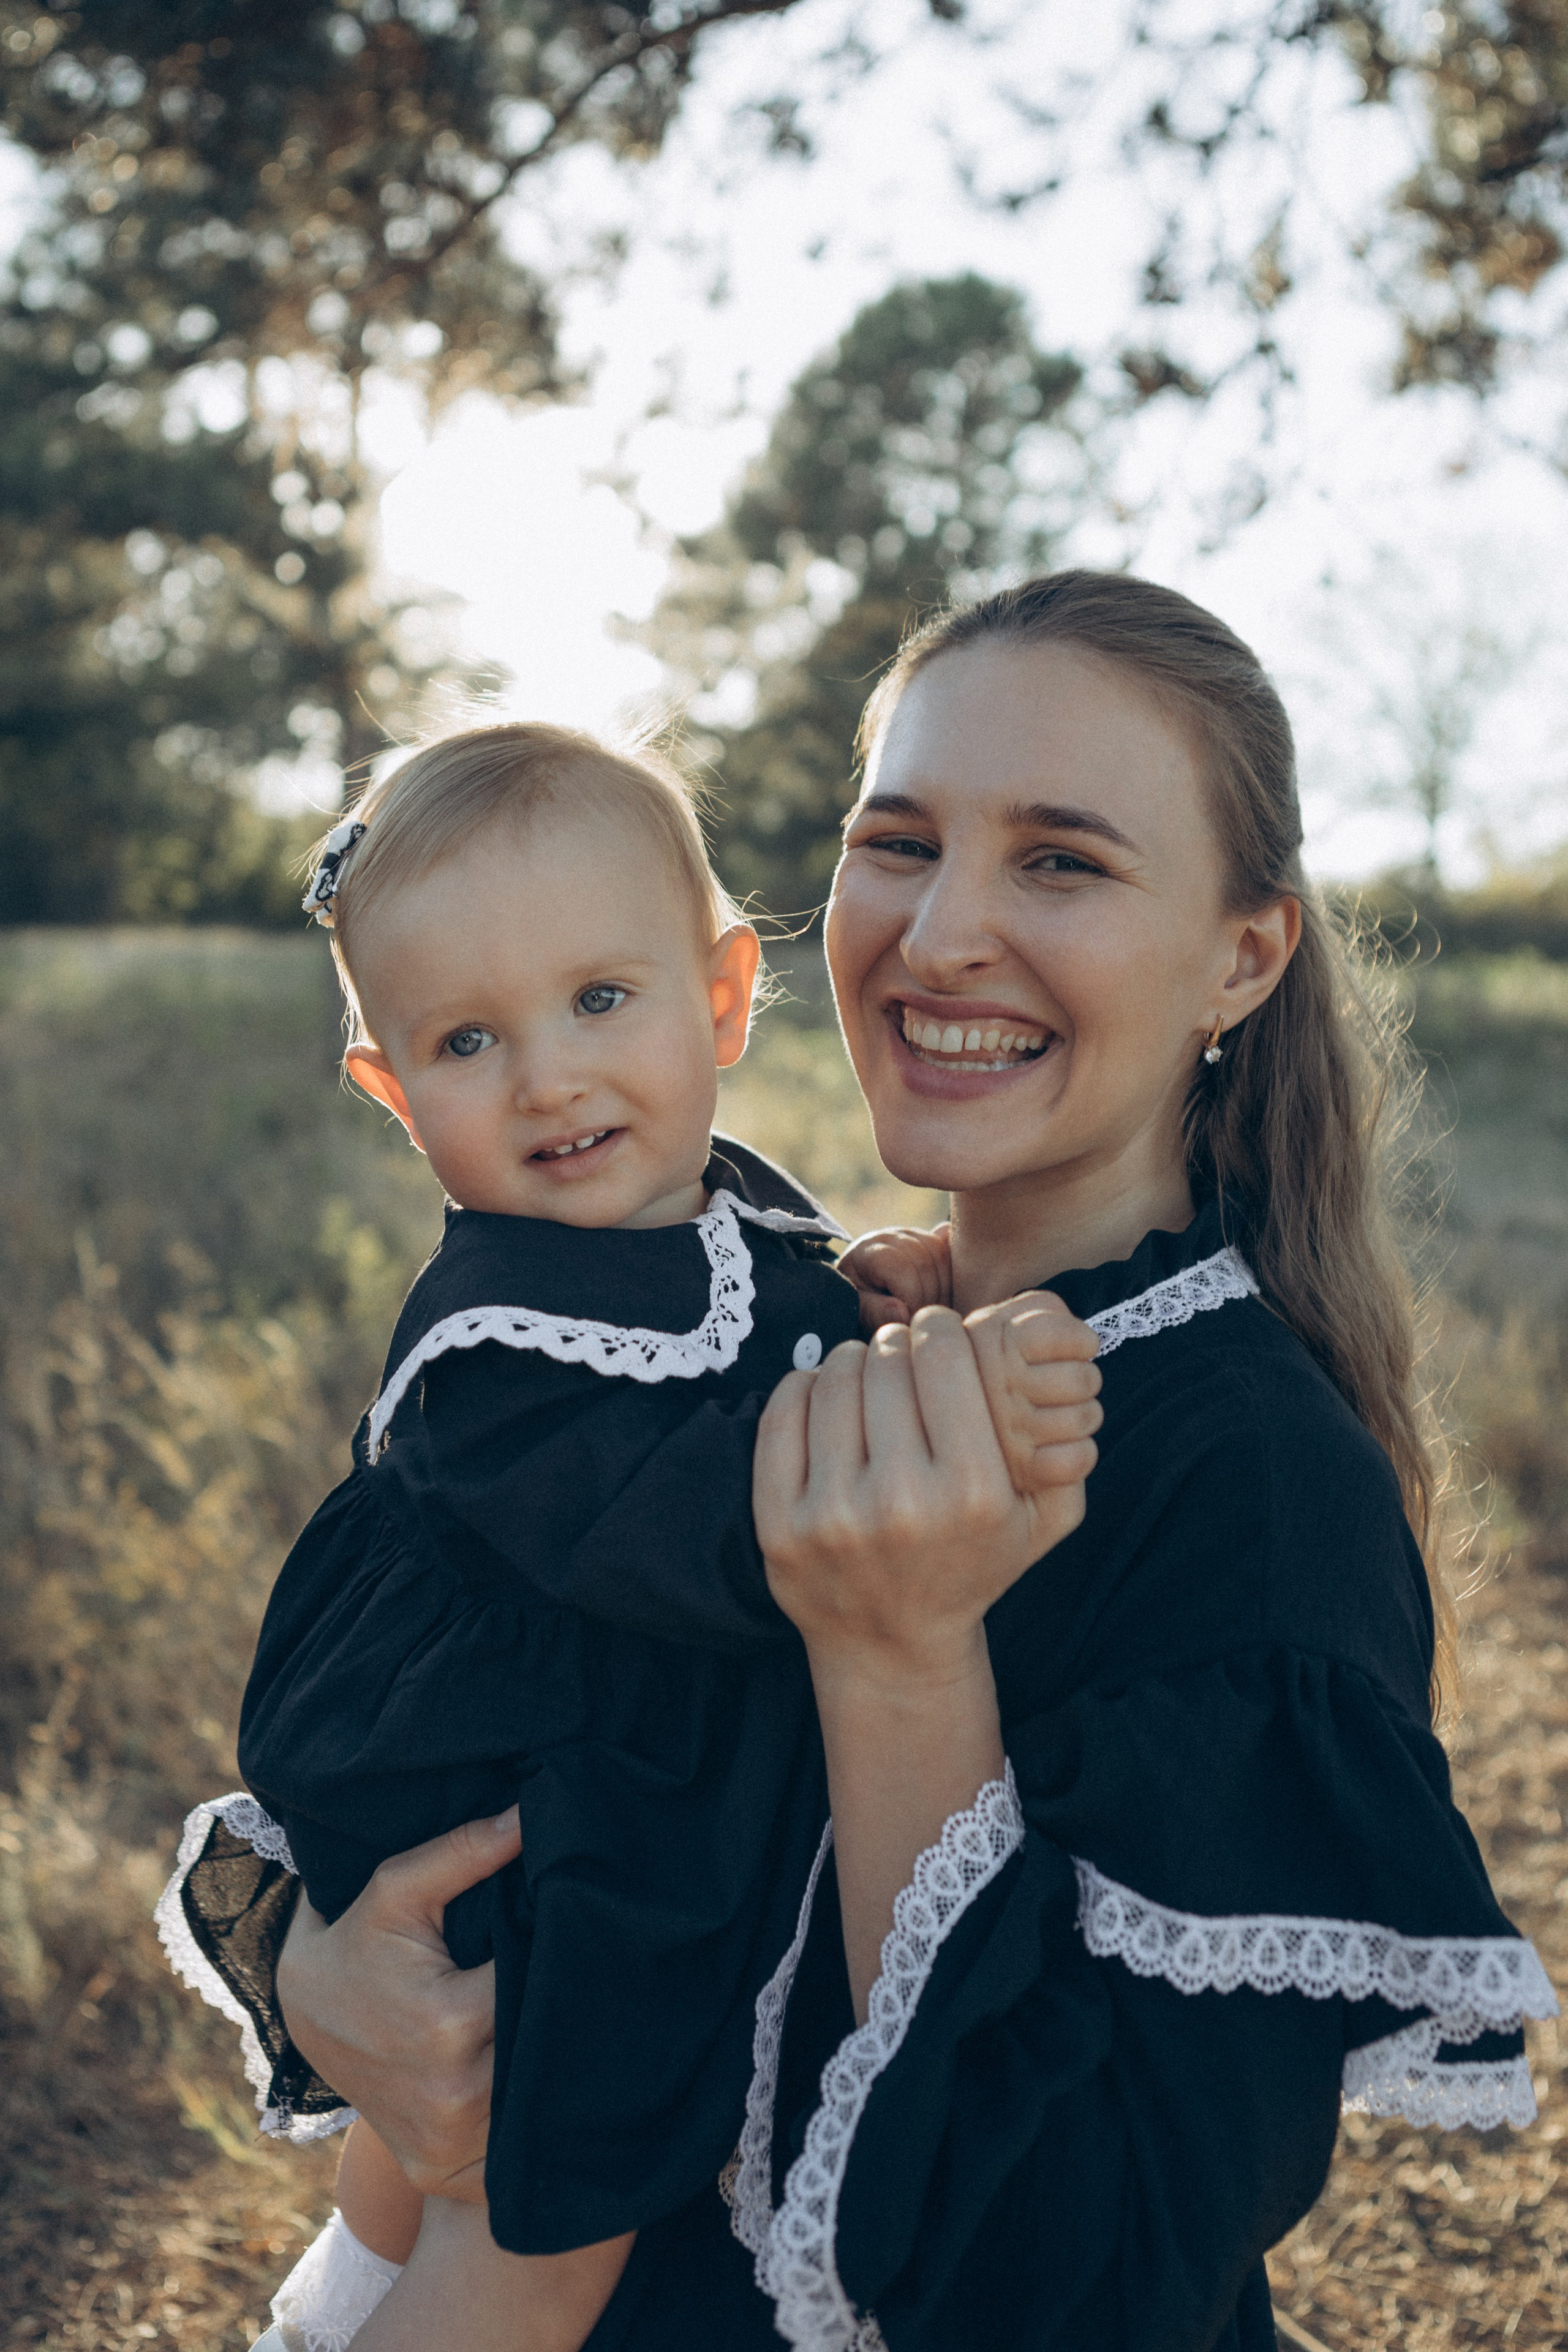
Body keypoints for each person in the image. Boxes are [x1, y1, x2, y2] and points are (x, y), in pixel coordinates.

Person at [246, 575, 1556, 2350]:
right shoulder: (801, 1323)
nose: (940, 936)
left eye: (1062, 861)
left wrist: (900, 1657)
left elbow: (1090, 2290)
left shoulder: (1252, 1487)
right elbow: (483, 1658)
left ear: (1243, 958)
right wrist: (329, 1963)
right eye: (902, 844)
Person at [153, 720, 1101, 2352]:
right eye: (466, 1041)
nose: (550, 1077)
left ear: (722, 996)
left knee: (432, 2158)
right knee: (546, 2217)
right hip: (525, 1793)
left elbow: (757, 1320)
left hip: (609, 1764)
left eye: (601, 998)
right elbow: (668, 1515)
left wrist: (868, 1301)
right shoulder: (492, 1335)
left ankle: (333, 2316)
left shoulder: (719, 1202)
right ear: (391, 1091)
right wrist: (914, 1406)